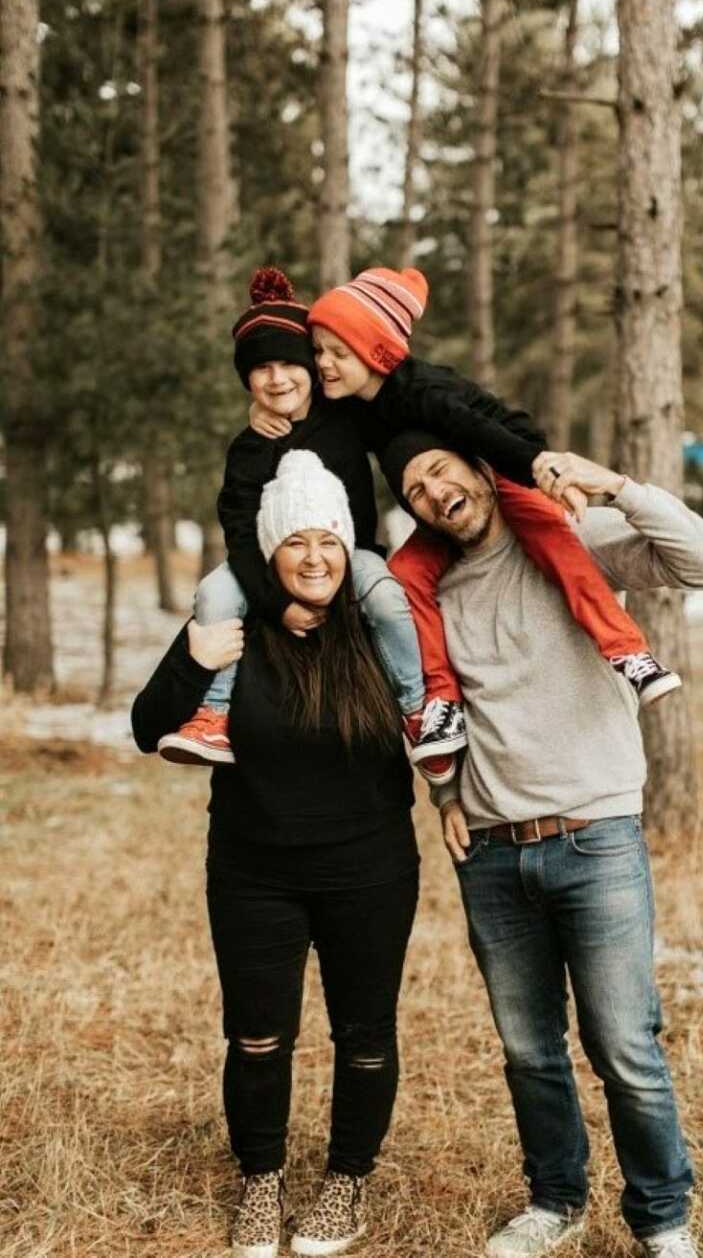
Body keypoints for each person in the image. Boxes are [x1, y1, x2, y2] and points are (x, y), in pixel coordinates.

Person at [378, 434, 703, 1258]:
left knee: (623, 1045)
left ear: (477, 468)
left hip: (596, 835)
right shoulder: (428, 592)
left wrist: (612, 484)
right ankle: (556, 1200)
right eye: (413, 488)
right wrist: (443, 793)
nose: (432, 491)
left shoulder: (570, 538)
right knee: (529, 1050)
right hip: (494, 852)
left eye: (441, 469)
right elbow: (427, 697)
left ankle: (662, 1216)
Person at [132, 450, 419, 1258]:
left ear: (347, 546)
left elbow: (440, 717)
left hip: (370, 868)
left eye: (329, 539)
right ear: (268, 552)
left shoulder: (374, 626)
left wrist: (458, 802)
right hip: (254, 871)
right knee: (258, 1036)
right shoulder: (232, 628)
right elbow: (144, 723)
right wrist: (194, 655)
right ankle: (261, 1180)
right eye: (296, 541)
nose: (316, 556)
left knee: (365, 1034)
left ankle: (346, 1179)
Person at [249, 265, 682, 755]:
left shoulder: (423, 392)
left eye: (337, 353)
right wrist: (264, 411)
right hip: (444, 509)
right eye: (319, 352)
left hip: (505, 473)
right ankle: (442, 702)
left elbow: (484, 433)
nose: (322, 363)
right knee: (407, 574)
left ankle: (630, 653)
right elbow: (301, 405)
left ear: (373, 350)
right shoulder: (349, 400)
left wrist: (541, 467)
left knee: (560, 548)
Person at [155, 267, 460, 784]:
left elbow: (391, 396)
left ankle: (417, 709)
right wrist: (276, 601)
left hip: (353, 552)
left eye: (290, 364)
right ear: (248, 380)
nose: (278, 380)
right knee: (214, 594)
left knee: (387, 597)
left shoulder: (344, 419)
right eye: (262, 370)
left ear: (311, 369)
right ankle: (214, 713)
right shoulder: (249, 447)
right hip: (272, 567)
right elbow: (239, 533)